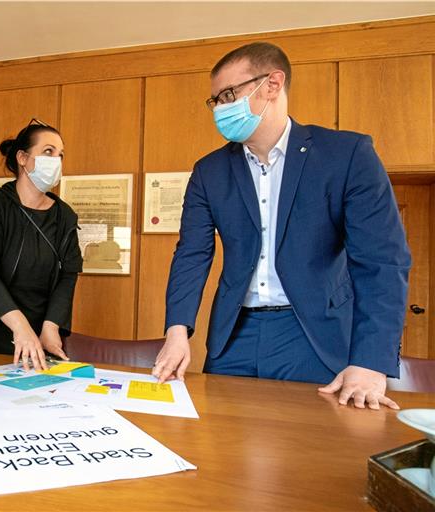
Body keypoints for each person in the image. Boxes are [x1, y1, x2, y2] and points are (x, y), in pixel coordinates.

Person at [155, 42, 411, 410]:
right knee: (227, 444)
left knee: (315, 448)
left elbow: (381, 262)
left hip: (314, 334)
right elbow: (192, 253)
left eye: (229, 94)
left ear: (273, 84)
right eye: (215, 101)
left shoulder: (347, 155)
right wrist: (177, 330)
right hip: (234, 336)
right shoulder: (209, 171)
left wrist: (371, 359)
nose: (221, 109)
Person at [0, 119, 83, 371]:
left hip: (39, 333)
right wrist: (20, 327)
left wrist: (51, 325)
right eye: (48, 151)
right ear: (23, 158)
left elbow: (68, 276)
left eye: (61, 154)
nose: (56, 160)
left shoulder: (65, 215)